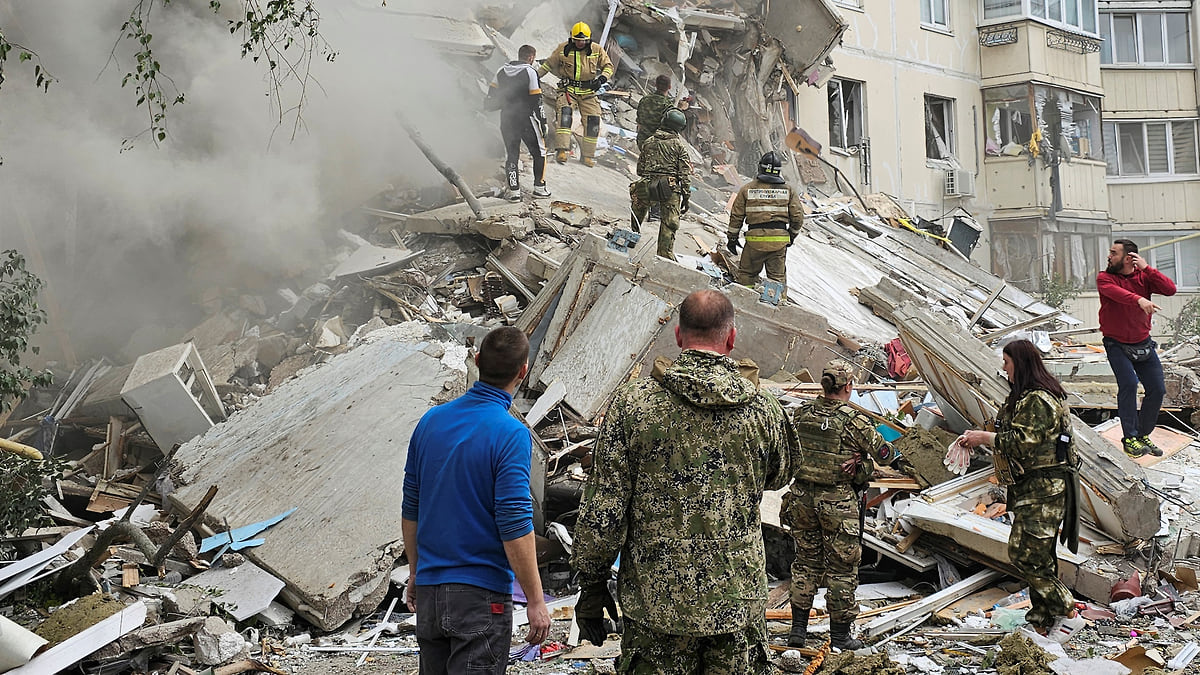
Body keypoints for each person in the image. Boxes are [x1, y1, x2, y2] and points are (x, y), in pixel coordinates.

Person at [572, 289, 792, 674]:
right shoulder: (763, 409)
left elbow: (603, 510)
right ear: (731, 337)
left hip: (657, 605)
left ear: (677, 335)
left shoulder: (633, 405)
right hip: (736, 604)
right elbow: (780, 473)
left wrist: (591, 587)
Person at [402, 327, 551, 674]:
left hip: (431, 596)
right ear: (523, 371)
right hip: (479, 600)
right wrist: (535, 600)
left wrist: (416, 571)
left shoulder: (430, 422)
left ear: (478, 360)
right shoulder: (511, 433)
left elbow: (412, 508)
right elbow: (514, 524)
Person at [956, 339, 1082, 638]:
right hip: (1032, 486)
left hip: (1044, 489)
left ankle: (1066, 608)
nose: (1004, 368)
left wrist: (983, 438)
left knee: (1025, 553)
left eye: (1007, 362)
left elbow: (1023, 442)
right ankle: (1041, 615)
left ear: (1020, 364)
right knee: (1040, 554)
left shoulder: (1038, 399)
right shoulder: (1026, 396)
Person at [784, 360, 895, 651]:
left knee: (805, 563)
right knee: (841, 570)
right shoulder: (853, 420)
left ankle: (798, 630)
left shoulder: (801, 413)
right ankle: (841, 636)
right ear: (848, 386)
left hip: (802, 500)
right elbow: (885, 453)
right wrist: (864, 460)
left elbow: (789, 450)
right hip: (838, 504)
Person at [1097, 238, 1177, 458]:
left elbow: (1170, 289)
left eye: (1114, 253)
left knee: (1157, 389)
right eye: (1110, 252)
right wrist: (1139, 300)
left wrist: (1147, 268)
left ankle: (1143, 435)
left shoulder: (1144, 277)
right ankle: (1129, 437)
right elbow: (1117, 294)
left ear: (1128, 258)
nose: (1109, 256)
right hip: (1116, 343)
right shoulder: (1104, 278)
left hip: (1142, 342)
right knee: (1129, 384)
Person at [537, 22, 615, 167]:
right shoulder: (563, 49)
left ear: (588, 39)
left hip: (588, 92)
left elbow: (608, 66)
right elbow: (548, 64)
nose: (580, 43)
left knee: (593, 122)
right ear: (572, 39)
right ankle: (561, 150)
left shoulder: (597, 49)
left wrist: (602, 78)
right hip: (568, 90)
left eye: (583, 40)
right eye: (577, 40)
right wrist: (534, 77)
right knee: (565, 116)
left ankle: (587, 156)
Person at [726, 151, 804, 295]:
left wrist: (732, 238)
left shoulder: (747, 189)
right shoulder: (788, 190)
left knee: (747, 275)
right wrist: (791, 235)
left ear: (759, 168)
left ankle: (745, 301)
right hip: (779, 242)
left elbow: (736, 216)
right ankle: (776, 308)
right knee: (777, 278)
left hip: (754, 240)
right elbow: (798, 217)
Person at [486, 44, 551, 201]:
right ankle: (539, 188)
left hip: (507, 118)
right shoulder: (530, 72)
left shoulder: (501, 70)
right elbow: (537, 100)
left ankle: (514, 191)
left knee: (512, 154)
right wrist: (543, 122)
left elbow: (491, 94)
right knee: (539, 152)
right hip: (526, 119)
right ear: (530, 57)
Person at [630, 108, 691, 260]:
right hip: (669, 189)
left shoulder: (648, 142)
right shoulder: (679, 147)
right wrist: (686, 197)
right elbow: (684, 175)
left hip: (647, 184)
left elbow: (640, 169)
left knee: (638, 207)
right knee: (670, 223)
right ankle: (664, 254)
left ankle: (632, 236)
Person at [636, 74, 675, 150]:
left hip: (642, 141)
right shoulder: (668, 106)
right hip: (656, 145)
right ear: (669, 87)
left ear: (655, 85)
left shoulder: (644, 99)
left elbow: (639, 122)